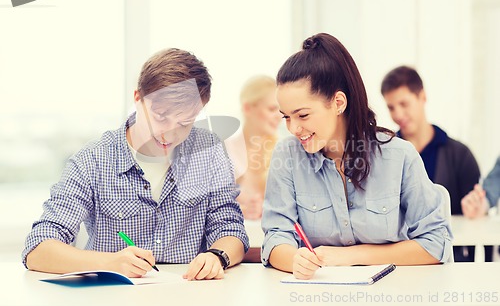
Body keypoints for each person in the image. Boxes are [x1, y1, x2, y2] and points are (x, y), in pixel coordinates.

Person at [22, 48, 249, 280]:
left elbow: (230, 228)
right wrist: (110, 262)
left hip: (190, 292)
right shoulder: (93, 160)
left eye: (185, 122)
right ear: (138, 98)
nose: (169, 135)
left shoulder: (208, 150)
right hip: (114, 295)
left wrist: (216, 256)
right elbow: (37, 250)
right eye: (161, 116)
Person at [261, 33, 452, 280]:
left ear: (338, 102)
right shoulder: (287, 155)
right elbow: (276, 236)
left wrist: (352, 256)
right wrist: (294, 259)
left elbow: (436, 243)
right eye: (286, 116)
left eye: (303, 115)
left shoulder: (399, 156)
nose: (293, 128)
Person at [380, 66, 481, 262]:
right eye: (391, 107)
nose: (398, 114)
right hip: (401, 263)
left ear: (422, 97)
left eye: (404, 103)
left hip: (450, 259)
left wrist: (477, 208)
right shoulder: (384, 156)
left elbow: (475, 208)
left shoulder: (460, 155)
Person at [225, 75, 281, 220]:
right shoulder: (224, 151)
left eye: (281, 111)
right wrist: (241, 210)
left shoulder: (284, 153)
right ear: (247, 108)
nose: (279, 117)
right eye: (272, 109)